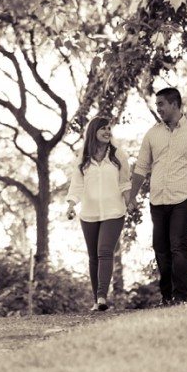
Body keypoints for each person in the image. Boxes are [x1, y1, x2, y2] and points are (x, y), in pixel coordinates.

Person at [127, 87, 187, 306]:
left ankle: (180, 297)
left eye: (161, 104)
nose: (158, 109)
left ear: (174, 104)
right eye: (157, 105)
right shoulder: (152, 134)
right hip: (157, 199)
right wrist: (131, 197)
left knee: (177, 245)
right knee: (161, 249)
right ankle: (166, 297)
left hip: (183, 198)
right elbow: (141, 168)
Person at [66, 116, 131, 312]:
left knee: (104, 251)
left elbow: (125, 182)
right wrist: (71, 205)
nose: (107, 132)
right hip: (89, 214)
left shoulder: (118, 155)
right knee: (93, 256)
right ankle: (97, 300)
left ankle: (102, 297)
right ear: (93, 132)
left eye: (109, 128)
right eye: (103, 128)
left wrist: (130, 202)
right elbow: (76, 186)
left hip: (114, 211)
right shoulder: (83, 159)